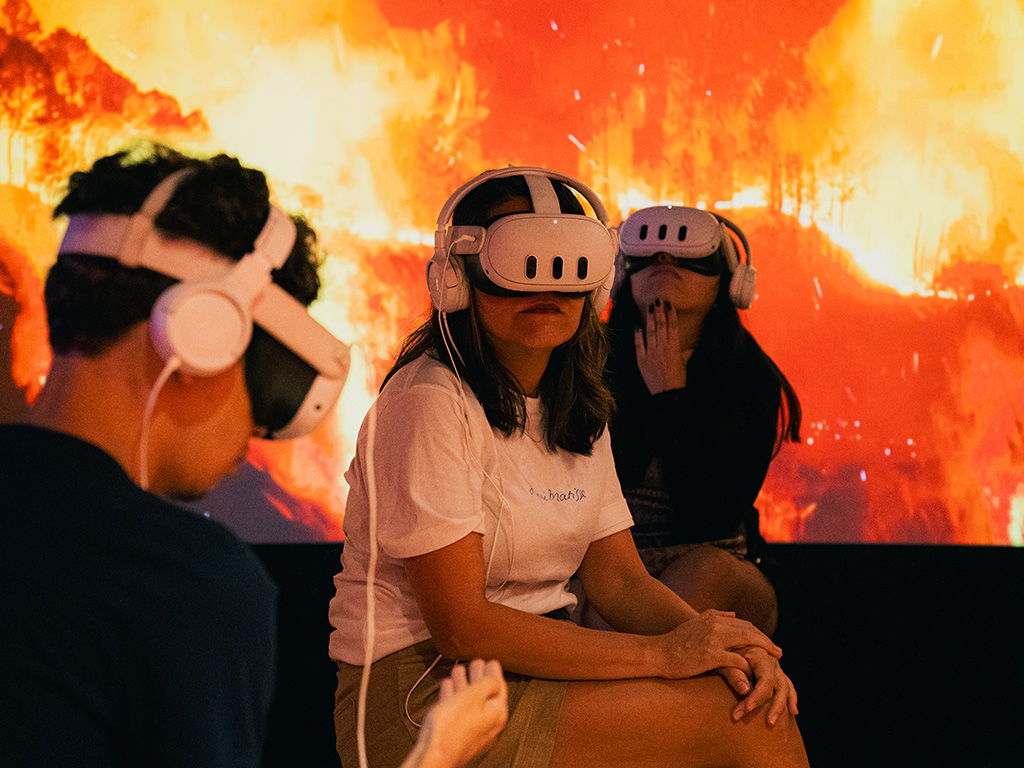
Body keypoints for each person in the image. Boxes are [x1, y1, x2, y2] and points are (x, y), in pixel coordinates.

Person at [0, 141, 505, 768]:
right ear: (203, 331)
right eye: (269, 375)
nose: (259, 432)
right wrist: (436, 756)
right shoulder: (185, 587)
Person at [329, 167, 808, 768]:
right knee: (749, 724)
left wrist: (723, 646)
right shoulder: (428, 401)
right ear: (457, 279)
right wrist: (665, 655)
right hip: (432, 693)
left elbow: (620, 580)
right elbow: (462, 627)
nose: (547, 286)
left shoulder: (575, 402)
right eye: (519, 264)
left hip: (537, 671)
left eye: (570, 265)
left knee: (750, 696)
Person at [593, 205, 802, 636]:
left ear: (729, 282)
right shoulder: (588, 365)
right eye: (649, 256)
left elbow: (710, 518)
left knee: (702, 574)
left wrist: (669, 396)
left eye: (689, 257)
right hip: (612, 565)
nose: (665, 261)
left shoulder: (748, 377)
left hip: (717, 564)